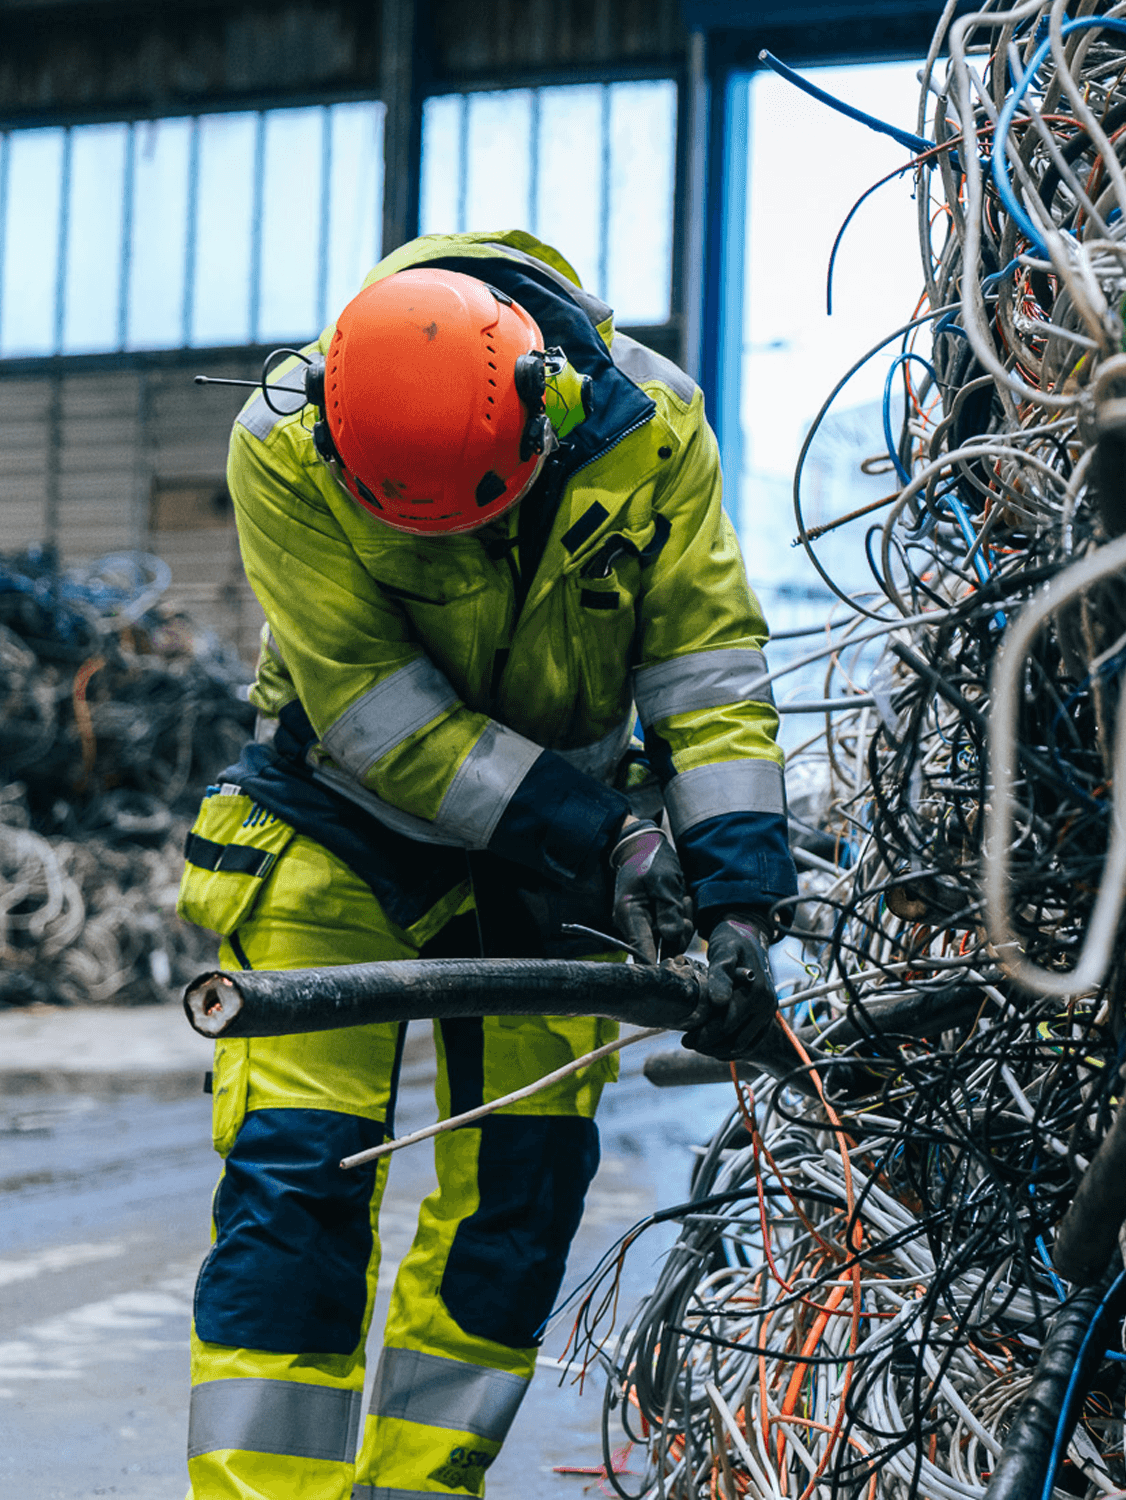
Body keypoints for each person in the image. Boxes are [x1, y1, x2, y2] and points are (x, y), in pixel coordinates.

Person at [174, 228, 795, 1500]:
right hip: (339, 822)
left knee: (515, 1202)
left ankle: (415, 1491)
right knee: (297, 1185)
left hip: (557, 851)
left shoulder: (648, 427)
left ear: (546, 413)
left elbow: (704, 665)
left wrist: (738, 895)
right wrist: (605, 833)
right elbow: (374, 713)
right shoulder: (282, 443)